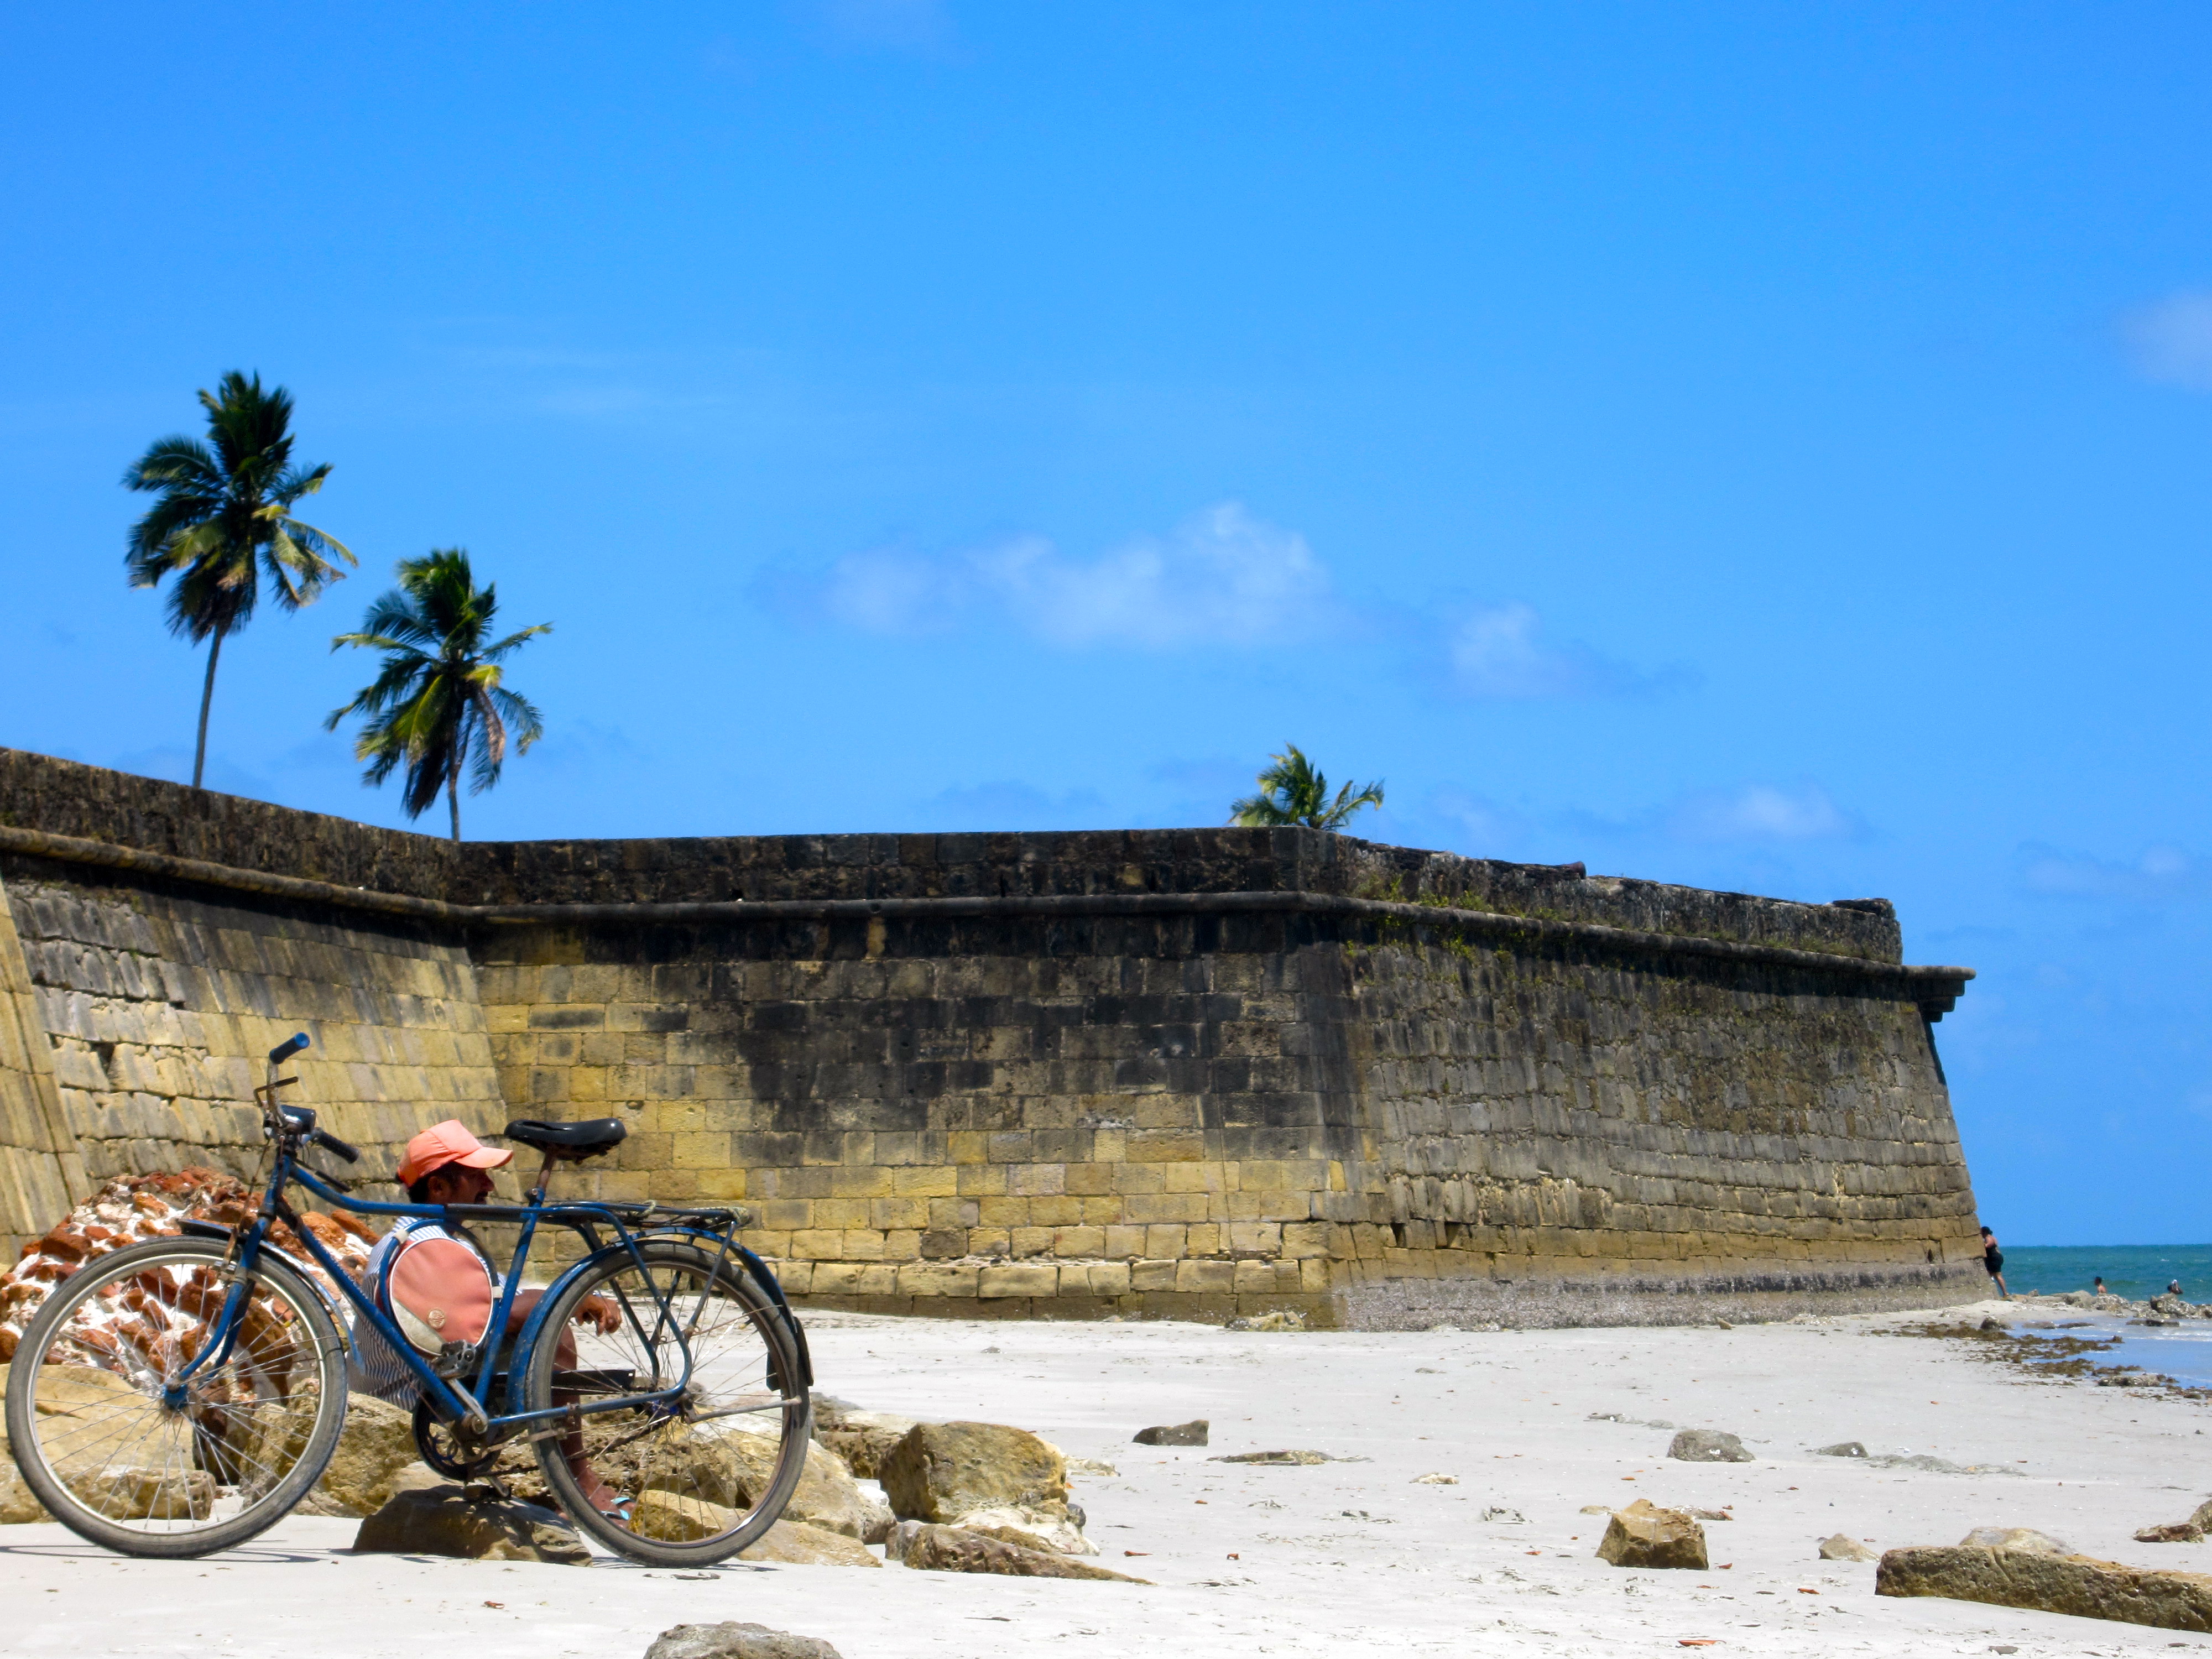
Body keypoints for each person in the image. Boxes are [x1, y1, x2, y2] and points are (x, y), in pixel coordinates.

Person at [351, 1120, 628, 1516]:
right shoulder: (423, 1248)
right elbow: (494, 1316)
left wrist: (572, 1296)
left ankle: (566, 1476)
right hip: (409, 1405)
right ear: (439, 1187)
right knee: (552, 1331)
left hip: (426, 1389)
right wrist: (574, 1297)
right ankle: (579, 1483)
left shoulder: (436, 1240)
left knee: (544, 1314)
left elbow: (500, 1294)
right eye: (476, 1176)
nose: (490, 1186)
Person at [1979, 1225, 2008, 1300]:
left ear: (1984, 1232)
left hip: (1994, 1258)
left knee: (1997, 1276)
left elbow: (1988, 1245)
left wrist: (1981, 1244)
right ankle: (1993, 1293)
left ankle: (2005, 1293)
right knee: (1992, 1275)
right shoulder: (1993, 1237)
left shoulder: (1988, 1238)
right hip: (1997, 1257)